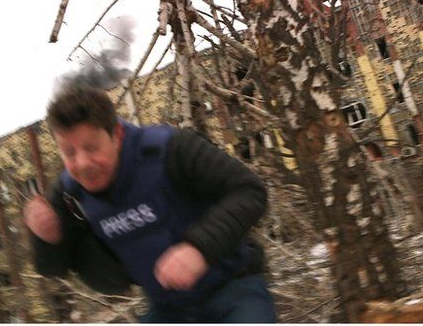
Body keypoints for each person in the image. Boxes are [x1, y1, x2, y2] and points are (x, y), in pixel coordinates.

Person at [24, 85, 277, 323]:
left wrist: (198, 249)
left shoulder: (169, 149)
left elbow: (249, 191)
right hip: (168, 308)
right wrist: (46, 237)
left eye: (92, 148)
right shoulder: (69, 193)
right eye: (69, 153)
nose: (83, 164)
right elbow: (51, 267)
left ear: (117, 135)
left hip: (233, 286)